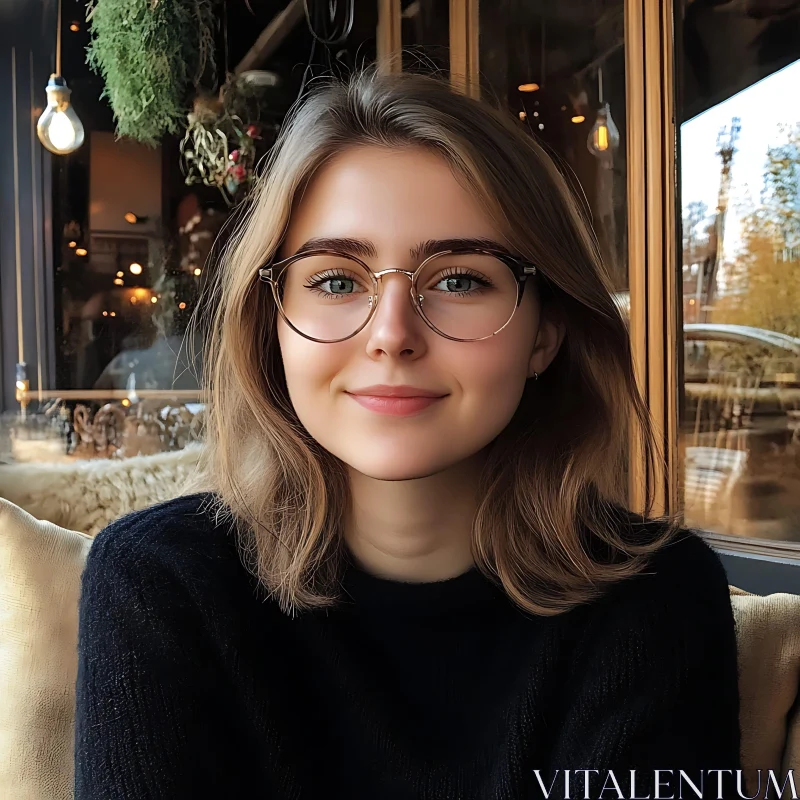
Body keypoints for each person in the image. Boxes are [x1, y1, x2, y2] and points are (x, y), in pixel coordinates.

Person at [74, 68, 741, 800]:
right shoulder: (160, 589)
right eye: (335, 280)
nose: (391, 336)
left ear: (545, 333)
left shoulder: (658, 598)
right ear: (274, 328)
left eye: (458, 279)